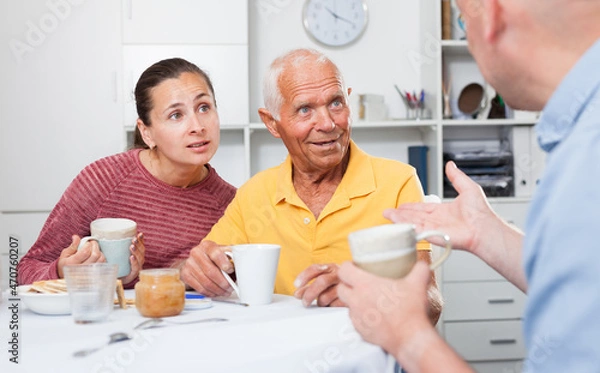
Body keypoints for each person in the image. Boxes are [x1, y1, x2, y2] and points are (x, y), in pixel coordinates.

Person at [337, 0, 600, 371]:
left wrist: (406, 335)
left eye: (463, 20)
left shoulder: (587, 162)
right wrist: (486, 233)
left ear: (489, 16)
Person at [181, 48, 443, 321]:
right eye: (305, 110)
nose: (328, 123)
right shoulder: (253, 195)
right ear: (272, 123)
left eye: (336, 103)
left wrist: (372, 294)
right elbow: (206, 266)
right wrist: (199, 268)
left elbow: (430, 305)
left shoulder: (399, 182)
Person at [18, 58, 236, 288]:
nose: (197, 126)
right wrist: (62, 272)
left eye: (204, 108)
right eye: (176, 115)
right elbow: (26, 270)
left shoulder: (232, 204)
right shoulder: (101, 180)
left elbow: (239, 287)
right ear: (146, 132)